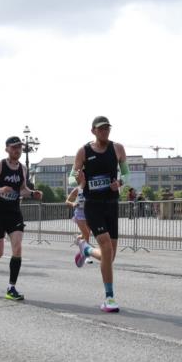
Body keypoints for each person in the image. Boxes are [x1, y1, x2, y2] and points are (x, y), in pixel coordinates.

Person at [72, 116, 129, 313]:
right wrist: (78, 179)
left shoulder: (118, 148)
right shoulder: (84, 151)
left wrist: (120, 183)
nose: (105, 131)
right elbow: (72, 176)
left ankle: (85, 249)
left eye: (107, 128)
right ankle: (109, 297)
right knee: (105, 246)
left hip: (112, 205)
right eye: (101, 129)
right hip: (93, 205)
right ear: (93, 131)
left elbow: (127, 174)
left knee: (110, 256)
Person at [0, 137, 42, 300]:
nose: (17, 150)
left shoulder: (23, 169)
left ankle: (11, 288)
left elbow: (22, 190)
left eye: (19, 147)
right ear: (7, 149)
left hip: (13, 213)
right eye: (14, 148)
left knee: (17, 248)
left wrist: (33, 193)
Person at [66, 185, 94, 264]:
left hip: (89, 213)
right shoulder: (77, 189)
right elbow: (67, 201)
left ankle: (78, 238)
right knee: (87, 234)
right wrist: (73, 204)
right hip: (79, 214)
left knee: (85, 234)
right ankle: (87, 256)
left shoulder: (90, 188)